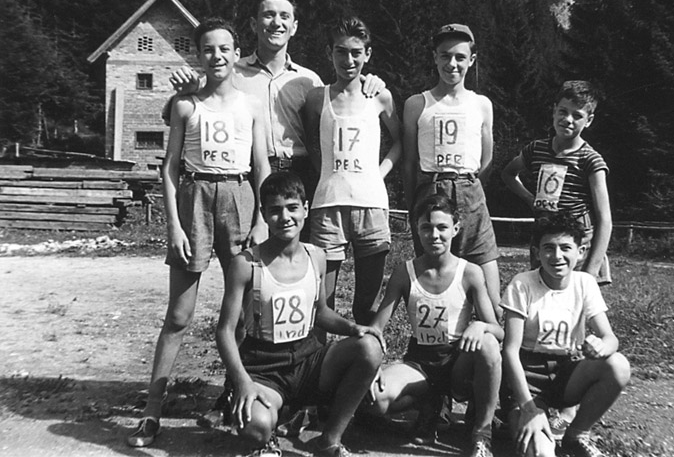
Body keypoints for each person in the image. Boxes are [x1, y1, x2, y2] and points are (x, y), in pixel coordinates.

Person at [127, 18, 270, 447]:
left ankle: (235, 396)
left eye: (225, 48)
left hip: (240, 198)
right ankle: (152, 410)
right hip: (195, 200)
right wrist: (174, 224)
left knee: (243, 311)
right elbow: (169, 168)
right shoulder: (187, 106)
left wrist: (261, 216)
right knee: (179, 315)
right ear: (198, 56)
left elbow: (261, 165)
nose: (217, 57)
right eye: (208, 50)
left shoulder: (251, 106)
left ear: (236, 51)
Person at [167, 0, 384, 238]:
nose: (276, 23)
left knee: (300, 257)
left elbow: (341, 105)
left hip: (300, 174)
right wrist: (187, 90)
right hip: (252, 175)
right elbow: (186, 109)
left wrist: (373, 83)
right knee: (253, 255)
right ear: (254, 23)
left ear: (294, 27)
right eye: (268, 15)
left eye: (284, 16)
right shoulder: (230, 72)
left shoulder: (309, 80)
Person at [216, 171, 385, 457]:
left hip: (307, 359)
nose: (285, 217)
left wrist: (352, 328)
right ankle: (267, 436)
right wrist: (242, 380)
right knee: (256, 426)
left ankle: (330, 440)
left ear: (305, 209)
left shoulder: (316, 255)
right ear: (264, 214)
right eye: (275, 210)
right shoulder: (246, 264)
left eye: (292, 207)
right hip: (264, 366)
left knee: (369, 347)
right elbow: (224, 331)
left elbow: (319, 313)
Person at [364, 194, 503, 457]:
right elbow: (377, 327)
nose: (434, 235)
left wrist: (480, 326)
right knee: (376, 401)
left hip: (458, 362)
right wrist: (372, 366)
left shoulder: (470, 272)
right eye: (426, 228)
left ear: (456, 228)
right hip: (421, 363)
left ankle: (482, 432)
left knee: (488, 344)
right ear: (416, 229)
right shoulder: (405, 272)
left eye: (442, 227)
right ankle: (430, 403)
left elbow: (498, 330)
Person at [500, 213, 630, 457]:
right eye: (548, 248)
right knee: (540, 451)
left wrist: (601, 347)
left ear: (580, 252)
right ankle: (520, 417)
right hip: (529, 377)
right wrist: (528, 408)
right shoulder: (522, 284)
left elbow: (611, 338)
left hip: (566, 372)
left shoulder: (585, 283)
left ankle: (577, 433)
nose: (557, 256)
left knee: (618, 365)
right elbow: (510, 350)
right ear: (536, 252)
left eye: (565, 248)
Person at [302, 16, 401, 325]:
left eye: (356, 52)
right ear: (330, 53)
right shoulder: (317, 98)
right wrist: (326, 174)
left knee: (367, 306)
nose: (349, 60)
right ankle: (318, 368)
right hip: (328, 205)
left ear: (367, 55)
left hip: (371, 205)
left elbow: (399, 143)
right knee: (322, 304)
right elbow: (311, 143)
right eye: (341, 51)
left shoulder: (379, 96)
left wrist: (379, 172)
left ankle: (363, 368)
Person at [402, 23, 502, 321]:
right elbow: (409, 162)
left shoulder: (481, 104)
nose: (452, 64)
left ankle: (493, 339)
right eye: (445, 56)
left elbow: (486, 158)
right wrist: (414, 203)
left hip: (469, 191)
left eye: (460, 57)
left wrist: (468, 187)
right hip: (430, 191)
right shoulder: (417, 104)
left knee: (487, 278)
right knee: (436, 278)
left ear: (472, 60)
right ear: (434, 58)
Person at [501, 80, 612, 285]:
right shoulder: (536, 150)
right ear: (554, 111)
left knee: (575, 301)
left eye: (577, 115)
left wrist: (591, 271)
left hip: (578, 240)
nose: (567, 119)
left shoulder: (590, 160)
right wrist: (528, 198)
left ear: (589, 120)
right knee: (542, 295)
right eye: (563, 111)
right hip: (545, 235)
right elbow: (508, 173)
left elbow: (605, 219)